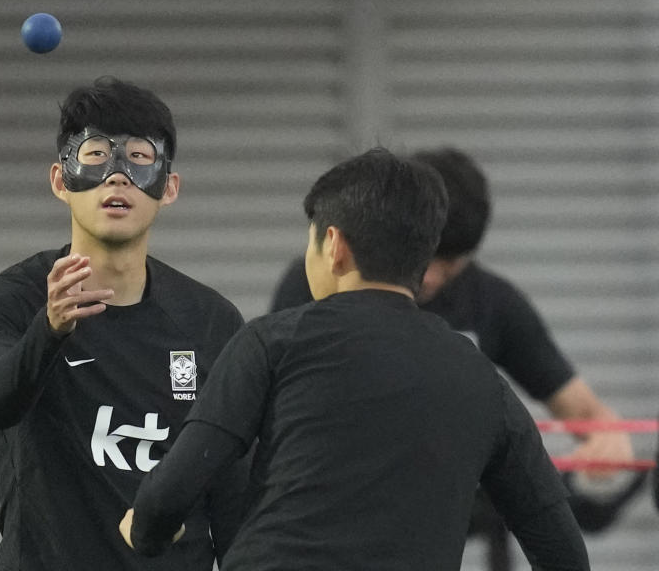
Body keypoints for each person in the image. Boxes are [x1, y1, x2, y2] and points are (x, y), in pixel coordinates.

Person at [120, 148, 590, 570]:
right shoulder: (483, 382)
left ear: (335, 246)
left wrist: (147, 531)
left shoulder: (270, 342)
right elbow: (562, 549)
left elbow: (173, 489)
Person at [0, 76, 246, 570]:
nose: (117, 177)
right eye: (94, 155)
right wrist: (49, 330)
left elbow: (233, 491)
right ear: (59, 181)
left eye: (139, 158)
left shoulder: (211, 321)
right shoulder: (7, 302)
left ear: (169, 187)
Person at [270, 147, 634, 474]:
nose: (429, 276)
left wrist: (607, 439)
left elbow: (586, 413)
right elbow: (271, 406)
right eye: (427, 254)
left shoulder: (493, 302)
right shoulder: (315, 281)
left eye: (449, 263)